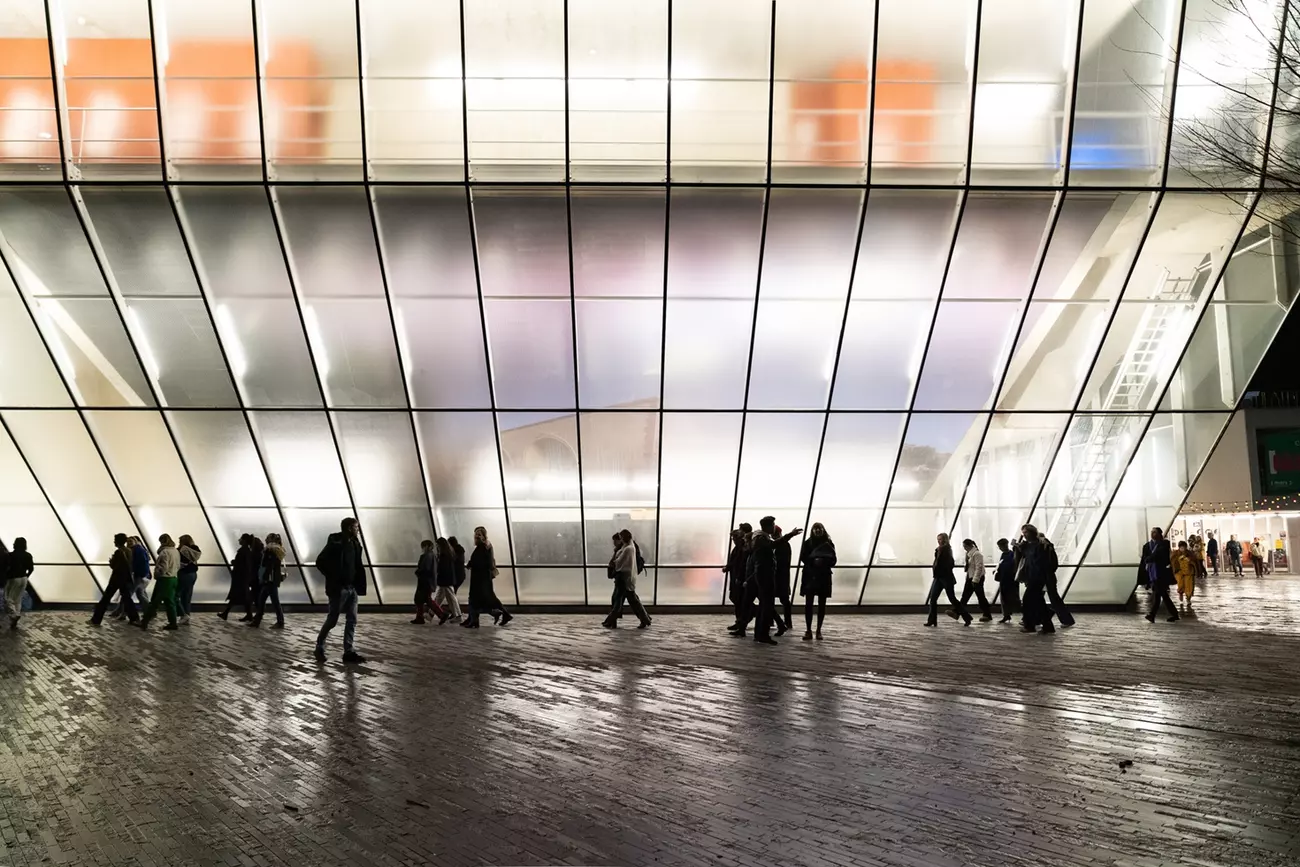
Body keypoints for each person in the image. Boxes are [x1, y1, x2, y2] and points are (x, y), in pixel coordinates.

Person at [315, 517, 368, 663]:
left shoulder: (355, 543)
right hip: (339, 588)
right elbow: (320, 561)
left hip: (352, 588)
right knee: (333, 619)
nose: (358, 530)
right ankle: (319, 646)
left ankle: (348, 651)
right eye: (356, 527)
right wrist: (334, 578)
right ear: (350, 528)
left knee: (352, 619)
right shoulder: (336, 542)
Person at [734, 516, 779, 644]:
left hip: (756, 578)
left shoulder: (757, 541)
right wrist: (789, 535)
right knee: (765, 605)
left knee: (760, 605)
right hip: (763, 577)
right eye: (773, 525)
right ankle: (762, 634)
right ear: (769, 526)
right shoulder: (762, 540)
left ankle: (757, 632)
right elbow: (772, 546)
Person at [463, 526, 511, 628]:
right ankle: (473, 619)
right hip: (481, 577)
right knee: (484, 598)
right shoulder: (482, 546)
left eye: (479, 534)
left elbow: (484, 562)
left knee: (481, 598)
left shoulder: (484, 546)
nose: (476, 536)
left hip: (481, 578)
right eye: (476, 533)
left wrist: (473, 564)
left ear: (484, 536)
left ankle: (475, 620)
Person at [603, 528, 651, 629]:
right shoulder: (627, 547)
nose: (617, 541)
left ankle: (610, 621)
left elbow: (620, 562)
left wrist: (614, 563)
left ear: (623, 538)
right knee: (632, 601)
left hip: (624, 578)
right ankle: (645, 619)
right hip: (625, 578)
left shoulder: (628, 549)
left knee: (618, 600)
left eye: (619, 538)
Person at [798, 523, 836, 641]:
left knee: (821, 605)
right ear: (813, 531)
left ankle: (818, 630)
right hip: (813, 575)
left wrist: (820, 561)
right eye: (816, 529)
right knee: (809, 604)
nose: (818, 531)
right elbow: (803, 558)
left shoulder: (827, 543)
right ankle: (809, 629)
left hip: (819, 576)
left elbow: (833, 560)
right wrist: (816, 562)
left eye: (819, 529)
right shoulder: (811, 543)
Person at [90, 534, 138, 626]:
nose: (114, 542)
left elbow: (115, 566)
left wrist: (111, 562)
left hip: (116, 579)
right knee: (127, 599)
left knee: (105, 599)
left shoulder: (118, 552)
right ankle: (134, 618)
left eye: (115, 540)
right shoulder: (129, 551)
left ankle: (96, 619)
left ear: (118, 541)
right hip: (126, 578)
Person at [1017, 525, 1057, 633]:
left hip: (1037, 578)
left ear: (1032, 532)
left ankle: (1030, 625)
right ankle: (1047, 625)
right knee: (1039, 602)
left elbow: (1038, 563)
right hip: (1034, 578)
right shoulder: (1032, 545)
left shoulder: (1040, 546)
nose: (1024, 535)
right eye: (1023, 533)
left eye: (1025, 532)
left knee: (1027, 600)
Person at [926, 533, 971, 627]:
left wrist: (941, 571)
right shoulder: (940, 549)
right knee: (933, 599)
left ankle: (966, 617)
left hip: (945, 577)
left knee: (951, 599)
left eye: (940, 539)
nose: (939, 541)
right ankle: (932, 620)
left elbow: (949, 563)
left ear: (945, 540)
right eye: (938, 539)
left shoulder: (946, 550)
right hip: (939, 577)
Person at [137, 534, 180, 631]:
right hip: (173, 578)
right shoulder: (175, 551)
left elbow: (163, 567)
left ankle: (145, 621)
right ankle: (173, 622)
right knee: (170, 602)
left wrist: (157, 572)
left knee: (155, 601)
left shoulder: (164, 552)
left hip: (164, 579)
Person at [1139, 527, 1178, 622]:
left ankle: (1152, 615)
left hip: (1161, 573)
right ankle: (1174, 614)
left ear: (1160, 534)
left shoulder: (1164, 543)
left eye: (1155, 532)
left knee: (1158, 594)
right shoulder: (1147, 546)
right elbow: (1145, 559)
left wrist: (1150, 558)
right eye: (1152, 532)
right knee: (1163, 594)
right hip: (1151, 573)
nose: (1153, 534)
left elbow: (1159, 555)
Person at [250, 533, 287, 628]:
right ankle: (257, 621)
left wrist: (265, 578)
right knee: (262, 600)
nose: (265, 539)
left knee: (273, 601)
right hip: (273, 579)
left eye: (267, 538)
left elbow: (269, 565)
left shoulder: (270, 550)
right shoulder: (278, 550)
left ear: (271, 540)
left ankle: (280, 622)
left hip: (269, 580)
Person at [771, 524, 802, 636]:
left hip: (779, 576)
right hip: (782, 576)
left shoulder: (780, 545)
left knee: (775, 599)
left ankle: (780, 622)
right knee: (784, 600)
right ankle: (787, 622)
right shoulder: (784, 545)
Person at [113, 535, 151, 619]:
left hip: (137, 576)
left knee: (128, 595)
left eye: (131, 541)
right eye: (128, 541)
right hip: (139, 575)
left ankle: (123, 613)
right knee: (139, 594)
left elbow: (136, 564)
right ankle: (149, 611)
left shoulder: (136, 550)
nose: (129, 543)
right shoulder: (138, 550)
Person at [957, 539, 993, 622]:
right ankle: (958, 612)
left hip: (975, 578)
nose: (964, 548)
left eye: (965, 546)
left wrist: (975, 580)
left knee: (979, 597)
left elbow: (979, 567)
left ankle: (987, 614)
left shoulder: (977, 554)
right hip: (971, 577)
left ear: (969, 546)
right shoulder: (970, 554)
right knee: (966, 596)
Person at [411, 540, 446, 624]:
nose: (422, 548)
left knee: (422, 599)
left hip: (425, 582)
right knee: (424, 599)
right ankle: (421, 617)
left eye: (423, 546)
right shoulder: (433, 556)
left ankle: (441, 614)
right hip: (429, 582)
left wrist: (418, 572)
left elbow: (425, 569)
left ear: (426, 546)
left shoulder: (426, 556)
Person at [220, 535, 252, 621]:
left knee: (238, 595)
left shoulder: (243, 551)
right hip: (243, 577)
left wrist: (234, 562)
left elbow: (241, 564)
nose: (239, 540)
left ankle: (226, 613)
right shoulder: (247, 551)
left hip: (240, 578)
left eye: (241, 539)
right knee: (243, 596)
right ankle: (248, 614)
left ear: (244, 541)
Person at [723, 529, 749, 633]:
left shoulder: (742, 549)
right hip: (736, 578)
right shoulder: (740, 548)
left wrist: (738, 576)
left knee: (739, 600)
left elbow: (740, 564)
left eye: (734, 538)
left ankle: (741, 622)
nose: (733, 540)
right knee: (737, 600)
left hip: (738, 578)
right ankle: (740, 622)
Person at [4, 538, 34, 628]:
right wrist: (26, 576)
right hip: (24, 578)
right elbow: (31, 569)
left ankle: (14, 615)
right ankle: (15, 617)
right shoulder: (28, 555)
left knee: (8, 598)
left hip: (13, 578)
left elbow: (7, 567)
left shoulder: (11, 555)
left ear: (16, 544)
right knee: (18, 599)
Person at [434, 537, 462, 623]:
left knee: (450, 597)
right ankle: (431, 613)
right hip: (448, 579)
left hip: (445, 579)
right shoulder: (449, 554)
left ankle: (458, 615)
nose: (437, 547)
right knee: (441, 596)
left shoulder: (443, 556)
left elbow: (442, 569)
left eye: (437, 545)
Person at [175, 535, 201, 625]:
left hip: (184, 574)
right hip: (193, 574)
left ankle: (183, 615)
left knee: (176, 595)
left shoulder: (181, 550)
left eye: (180, 541)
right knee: (187, 596)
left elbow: (180, 562)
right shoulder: (195, 550)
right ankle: (187, 615)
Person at [993, 537, 1019, 623]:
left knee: (1009, 598)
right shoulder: (1006, 554)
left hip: (1009, 579)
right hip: (1006, 579)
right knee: (1005, 598)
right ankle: (1006, 615)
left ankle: (1008, 614)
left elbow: (1010, 565)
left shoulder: (1011, 554)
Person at [1173, 539, 1196, 608]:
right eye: (1181, 548)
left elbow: (1194, 561)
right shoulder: (1176, 553)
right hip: (1179, 573)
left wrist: (1189, 560)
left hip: (1188, 573)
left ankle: (1188, 599)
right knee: (1180, 585)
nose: (1183, 549)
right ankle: (1180, 594)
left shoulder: (1189, 553)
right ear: (1179, 548)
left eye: (1184, 547)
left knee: (1189, 586)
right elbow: (1173, 562)